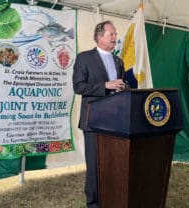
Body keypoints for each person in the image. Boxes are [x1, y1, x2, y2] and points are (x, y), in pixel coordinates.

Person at [72, 20, 128, 208]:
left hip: (116, 122)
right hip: (93, 121)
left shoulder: (119, 61)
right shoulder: (84, 58)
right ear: (99, 36)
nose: (115, 37)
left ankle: (113, 196)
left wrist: (123, 88)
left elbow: (122, 86)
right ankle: (94, 203)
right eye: (111, 34)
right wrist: (105, 85)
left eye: (115, 34)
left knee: (113, 162)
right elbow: (78, 86)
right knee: (95, 165)